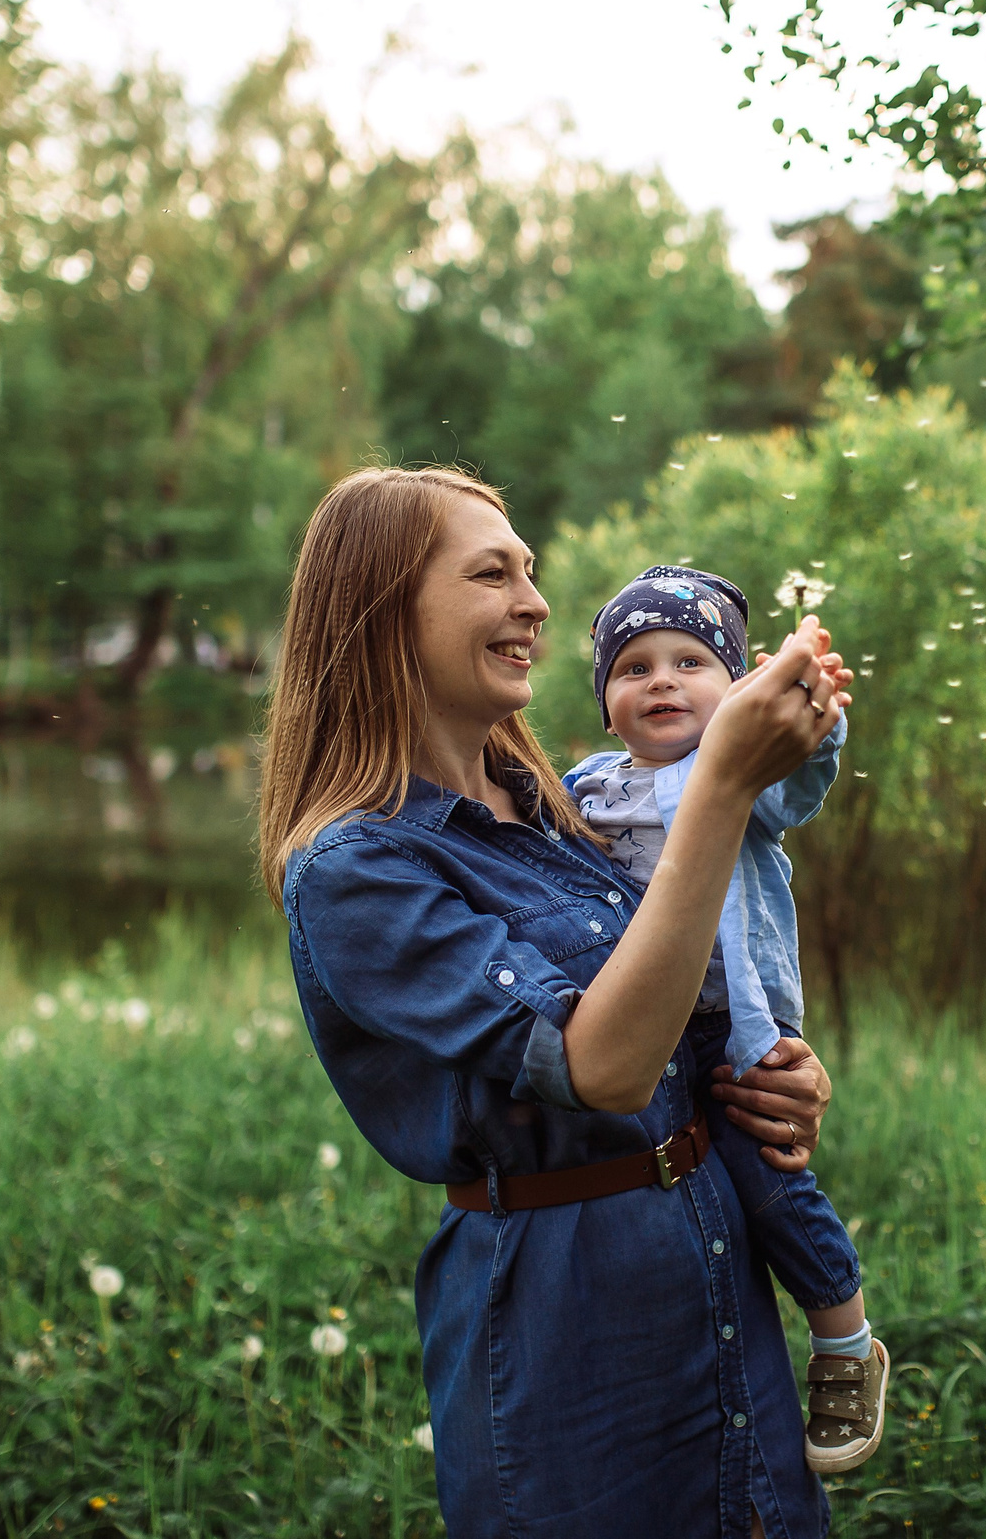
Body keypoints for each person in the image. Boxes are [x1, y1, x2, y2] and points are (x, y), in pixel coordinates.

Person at [257, 466, 852, 1539]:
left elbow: (675, 1006)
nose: (534, 601)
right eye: (492, 573)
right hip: (568, 1320)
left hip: (710, 1259)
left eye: (529, 570)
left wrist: (774, 1066)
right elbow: (603, 1064)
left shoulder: (564, 808)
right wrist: (719, 779)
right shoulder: (356, 867)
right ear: (384, 609)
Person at [565, 566, 888, 1475]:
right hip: (641, 1024)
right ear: (605, 704)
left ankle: (846, 1342)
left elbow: (806, 772)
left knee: (770, 1180)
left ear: (735, 690)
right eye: (633, 667)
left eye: (690, 661)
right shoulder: (589, 788)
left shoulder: (743, 778)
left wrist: (807, 707)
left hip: (735, 1022)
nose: (661, 679)